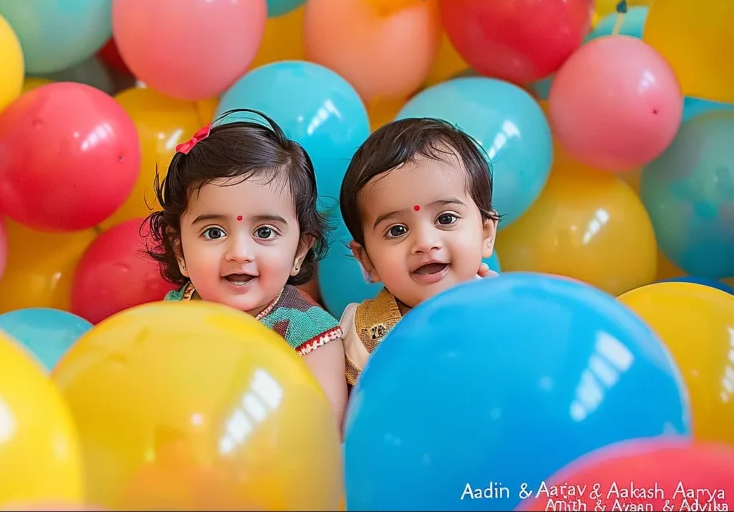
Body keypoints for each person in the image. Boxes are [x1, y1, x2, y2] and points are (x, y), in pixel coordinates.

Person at [145, 109, 348, 426]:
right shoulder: (168, 318)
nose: (239, 253)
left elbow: (321, 432)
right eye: (214, 233)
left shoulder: (310, 336)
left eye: (264, 232)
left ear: (298, 251)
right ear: (179, 250)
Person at [338, 117, 500, 387]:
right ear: (367, 260)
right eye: (397, 230)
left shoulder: (504, 310)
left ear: (486, 234)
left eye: (446, 219)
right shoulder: (361, 331)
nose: (425, 242)